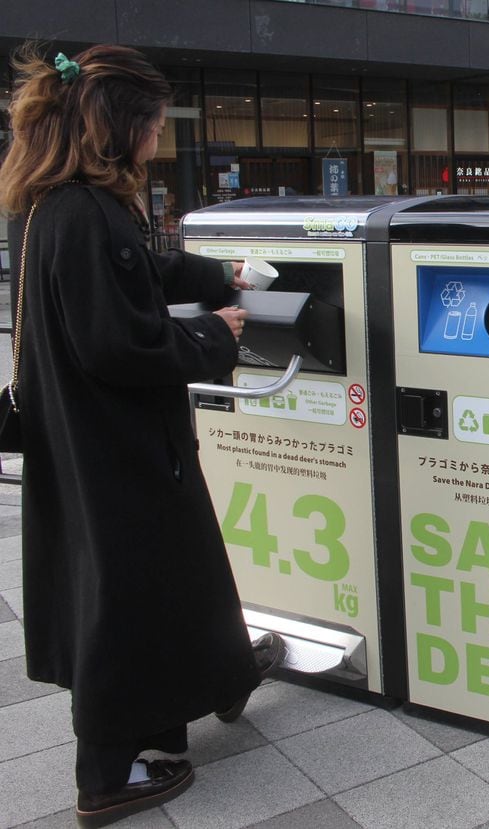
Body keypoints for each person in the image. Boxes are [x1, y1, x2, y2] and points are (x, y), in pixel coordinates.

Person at [0, 43, 283, 826]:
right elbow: (116, 343)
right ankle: (106, 777)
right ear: (116, 128)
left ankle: (224, 675)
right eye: (154, 127)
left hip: (93, 444)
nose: (159, 141)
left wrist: (214, 277)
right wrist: (218, 336)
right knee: (130, 599)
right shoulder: (83, 215)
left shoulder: (48, 205)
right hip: (118, 452)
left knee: (178, 574)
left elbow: (142, 272)